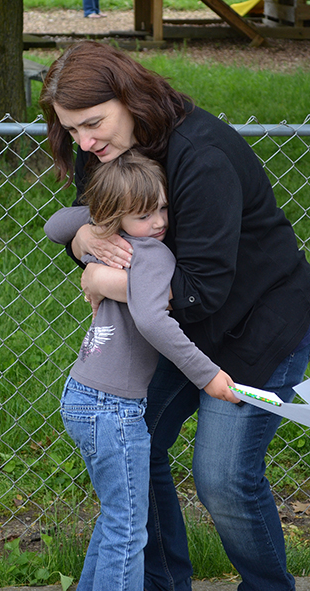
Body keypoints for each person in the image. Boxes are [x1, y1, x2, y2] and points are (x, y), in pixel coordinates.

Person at [40, 40, 310, 591]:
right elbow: (95, 225)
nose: (85, 143)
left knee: (223, 480)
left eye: (93, 124)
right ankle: (163, 581)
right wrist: (85, 239)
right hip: (173, 329)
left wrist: (102, 277)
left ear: (128, 97)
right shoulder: (103, 151)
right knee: (141, 444)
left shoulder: (201, 154)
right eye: (71, 132)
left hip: (258, 323)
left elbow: (201, 291)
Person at [44, 150, 235, 591]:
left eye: (163, 208)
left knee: (117, 519)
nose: (159, 221)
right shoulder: (154, 255)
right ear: (114, 215)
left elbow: (56, 225)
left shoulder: (116, 241)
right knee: (128, 529)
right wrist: (207, 375)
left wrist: (88, 229)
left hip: (82, 395)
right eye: (145, 214)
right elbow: (153, 321)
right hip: (113, 408)